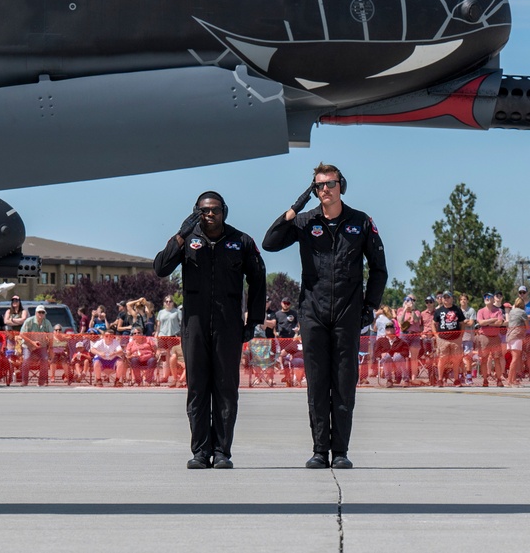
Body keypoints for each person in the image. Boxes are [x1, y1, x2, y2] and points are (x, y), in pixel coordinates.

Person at [262, 163, 387, 470]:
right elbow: (270, 241)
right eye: (319, 186)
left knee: (344, 383)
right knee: (317, 384)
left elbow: (379, 269)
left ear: (341, 185)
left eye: (331, 184)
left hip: (348, 313)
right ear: (314, 190)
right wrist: (297, 205)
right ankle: (320, 451)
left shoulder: (360, 221)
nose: (326, 189)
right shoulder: (305, 221)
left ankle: (341, 451)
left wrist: (368, 307)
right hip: (313, 312)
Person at [154, 191, 266, 470]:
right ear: (196, 212)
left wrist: (253, 321)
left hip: (229, 326)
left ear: (224, 211)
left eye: (215, 210)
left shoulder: (241, 241)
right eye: (204, 211)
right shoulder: (188, 241)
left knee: (226, 389)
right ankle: (201, 451)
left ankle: (222, 451)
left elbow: (258, 280)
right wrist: (180, 234)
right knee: (197, 389)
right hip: (194, 326)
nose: (210, 215)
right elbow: (160, 268)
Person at [19, 304, 53, 386]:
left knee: (45, 360)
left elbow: (51, 337)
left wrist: (50, 349)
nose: (41, 314)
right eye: (39, 312)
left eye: (42, 312)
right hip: (28, 345)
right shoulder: (29, 321)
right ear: (35, 313)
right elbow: (22, 334)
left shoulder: (47, 322)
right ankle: (24, 381)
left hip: (41, 346)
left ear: (45, 313)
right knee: (26, 359)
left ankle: (41, 381)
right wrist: (32, 343)